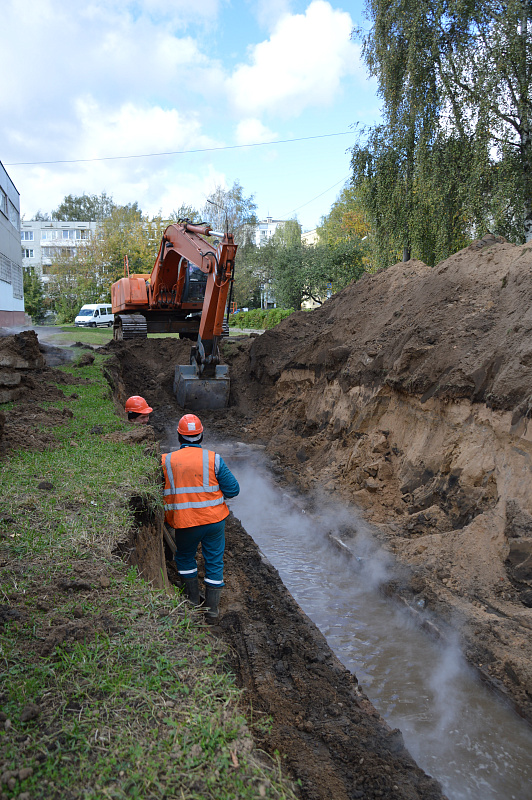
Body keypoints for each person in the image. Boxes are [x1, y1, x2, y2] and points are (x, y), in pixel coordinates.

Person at [161, 413, 239, 620]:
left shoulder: (166, 461)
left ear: (179, 437)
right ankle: (212, 611)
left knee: (185, 558)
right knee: (214, 562)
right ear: (201, 435)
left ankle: (193, 601)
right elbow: (233, 490)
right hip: (214, 522)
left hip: (185, 523)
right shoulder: (214, 459)